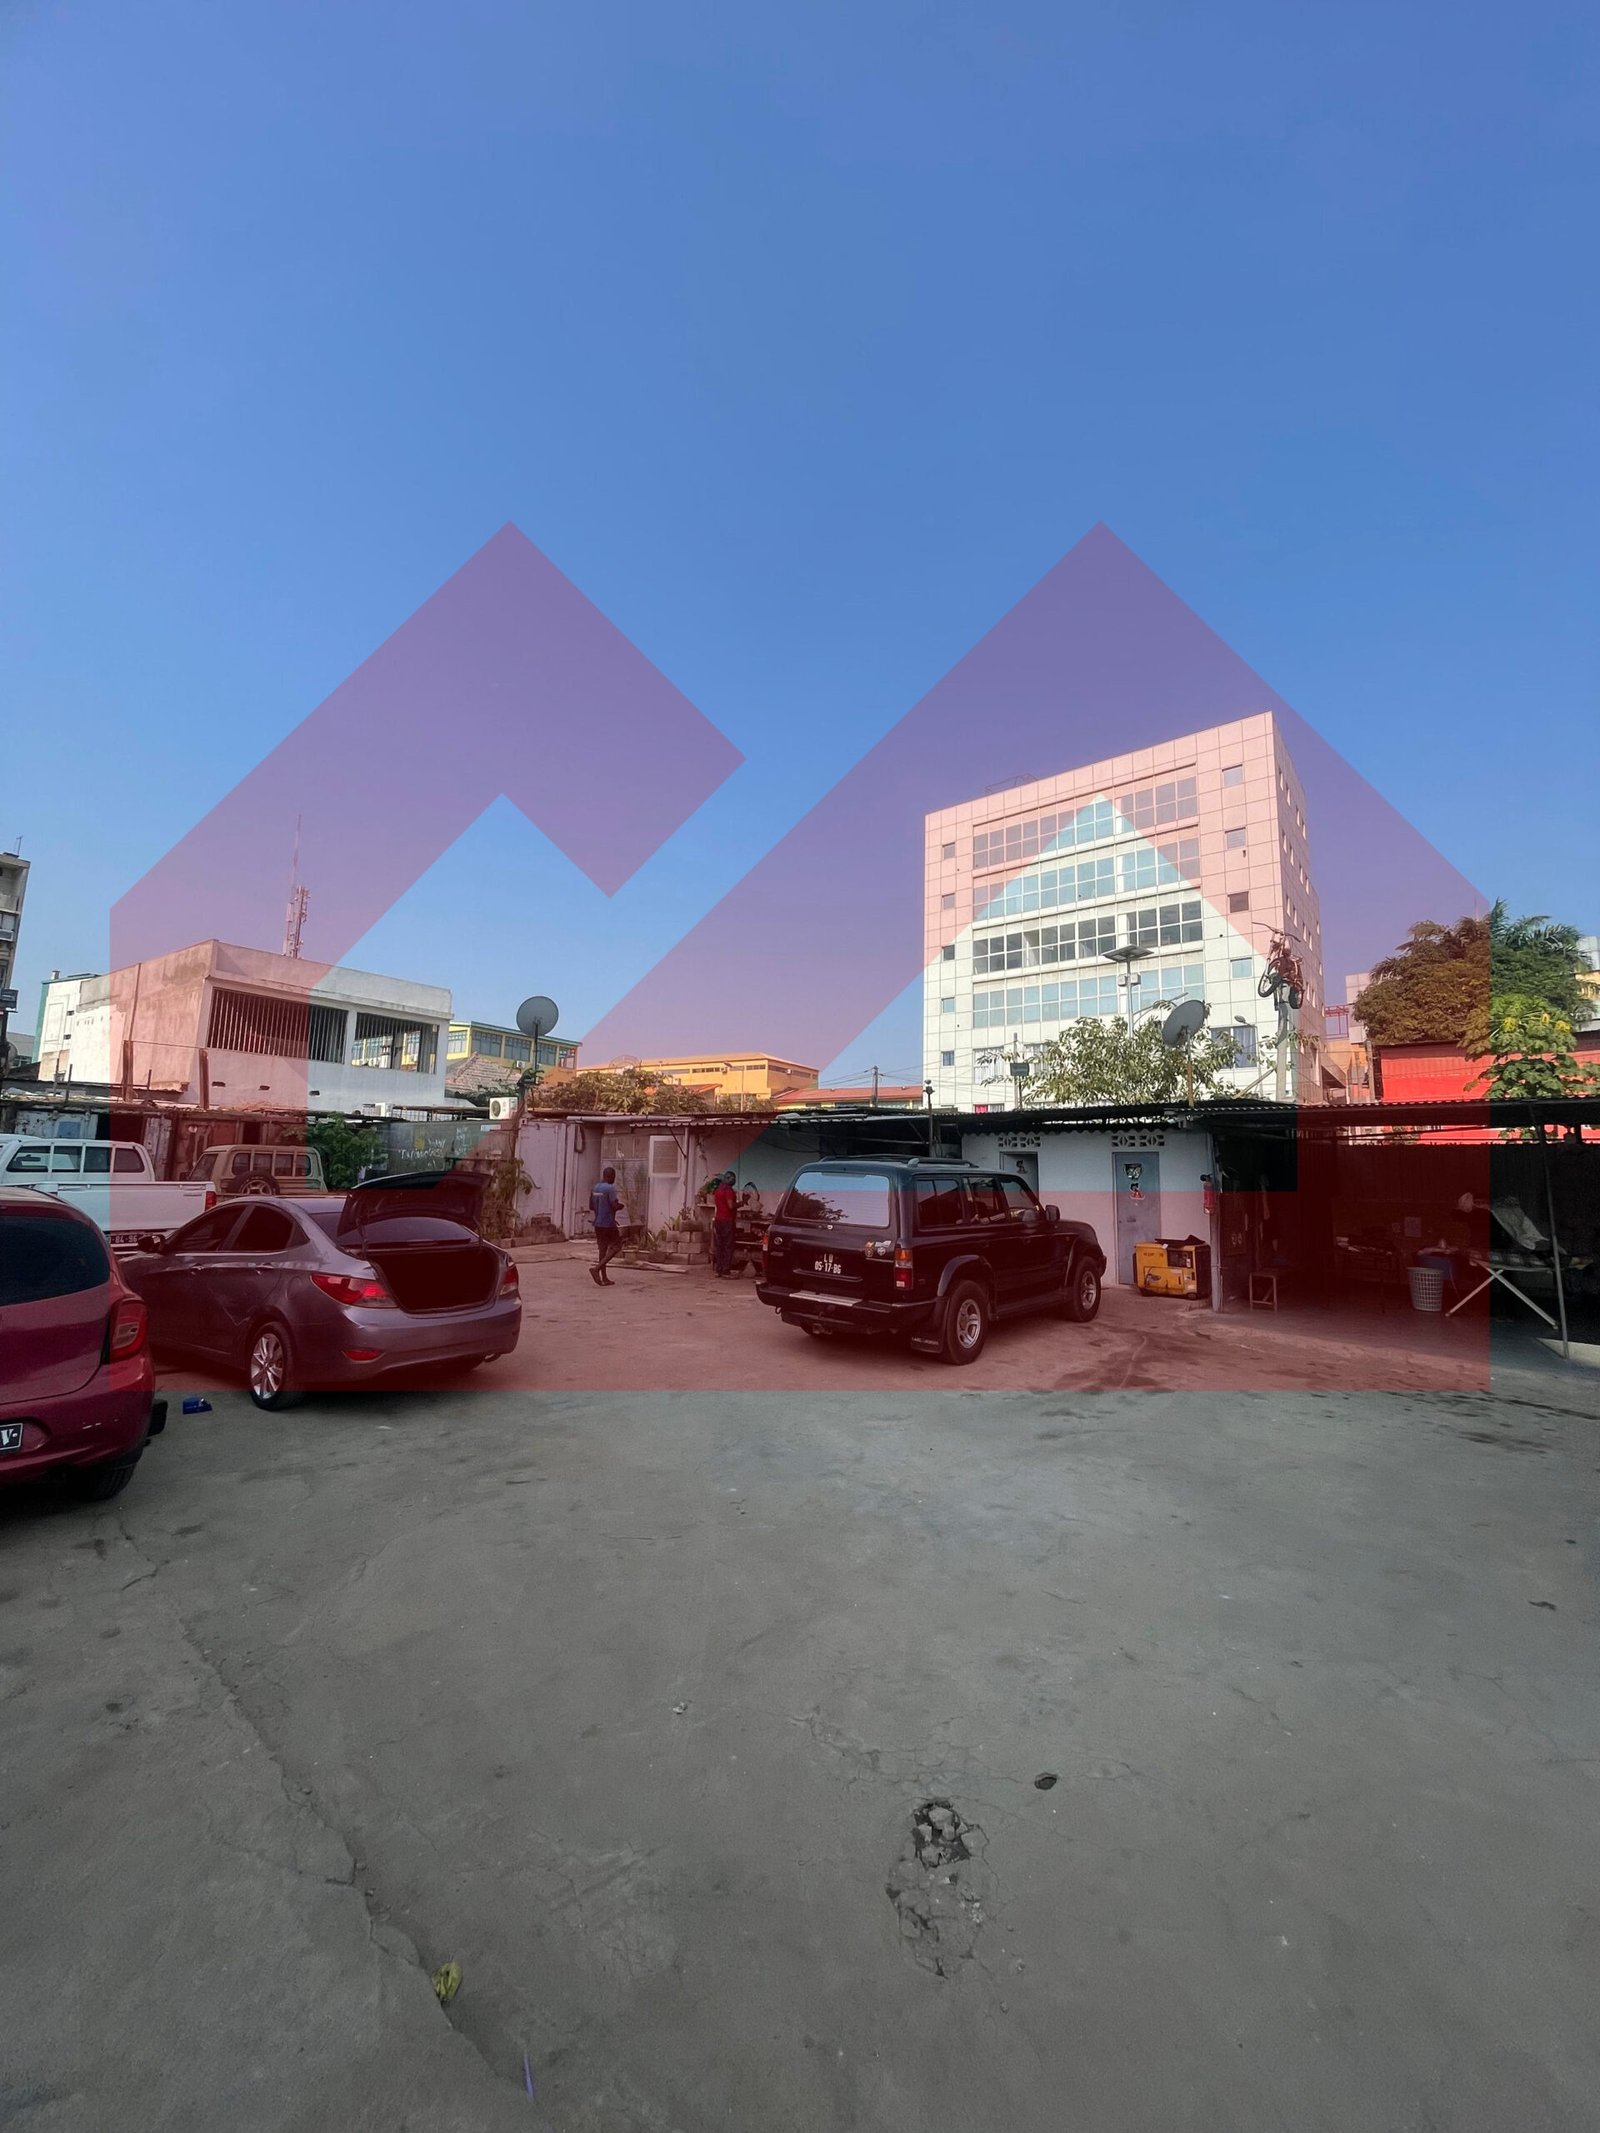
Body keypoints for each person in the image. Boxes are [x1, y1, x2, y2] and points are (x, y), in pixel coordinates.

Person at [589, 1166, 624, 1286]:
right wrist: (620, 1206)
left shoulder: (595, 1188)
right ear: (610, 1176)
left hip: (597, 1223)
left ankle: (604, 1278)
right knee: (617, 1246)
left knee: (602, 1250)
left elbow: (591, 1206)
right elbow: (614, 1206)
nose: (614, 1180)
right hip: (608, 1223)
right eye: (613, 1177)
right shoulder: (610, 1188)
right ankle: (596, 1269)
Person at [711, 1170, 737, 1278]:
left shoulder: (718, 1190)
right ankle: (726, 1271)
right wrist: (740, 1204)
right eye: (733, 1179)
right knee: (728, 1246)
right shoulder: (729, 1191)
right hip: (727, 1221)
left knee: (719, 1245)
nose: (734, 1181)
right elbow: (730, 1206)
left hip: (718, 1220)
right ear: (728, 1178)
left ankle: (718, 1270)